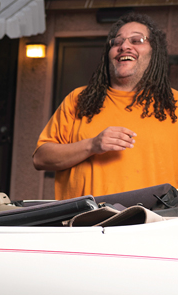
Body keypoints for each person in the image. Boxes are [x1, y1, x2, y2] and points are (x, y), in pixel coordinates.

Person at [33, 12, 178, 199]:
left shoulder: (174, 104)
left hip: (153, 217)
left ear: (154, 51)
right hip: (88, 216)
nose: (124, 46)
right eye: (117, 42)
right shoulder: (78, 99)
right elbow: (40, 158)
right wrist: (92, 145)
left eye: (136, 40)